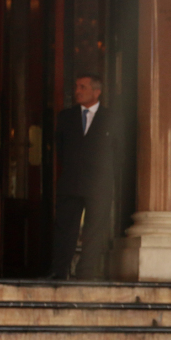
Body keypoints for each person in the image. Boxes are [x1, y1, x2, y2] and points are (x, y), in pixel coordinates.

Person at [51, 74, 117, 280]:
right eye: (76, 86)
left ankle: (86, 272)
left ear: (97, 92)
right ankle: (59, 271)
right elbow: (60, 149)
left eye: (83, 87)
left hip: (99, 184)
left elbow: (118, 151)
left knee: (94, 229)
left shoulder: (112, 118)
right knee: (65, 228)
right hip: (71, 181)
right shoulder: (66, 116)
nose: (77, 91)